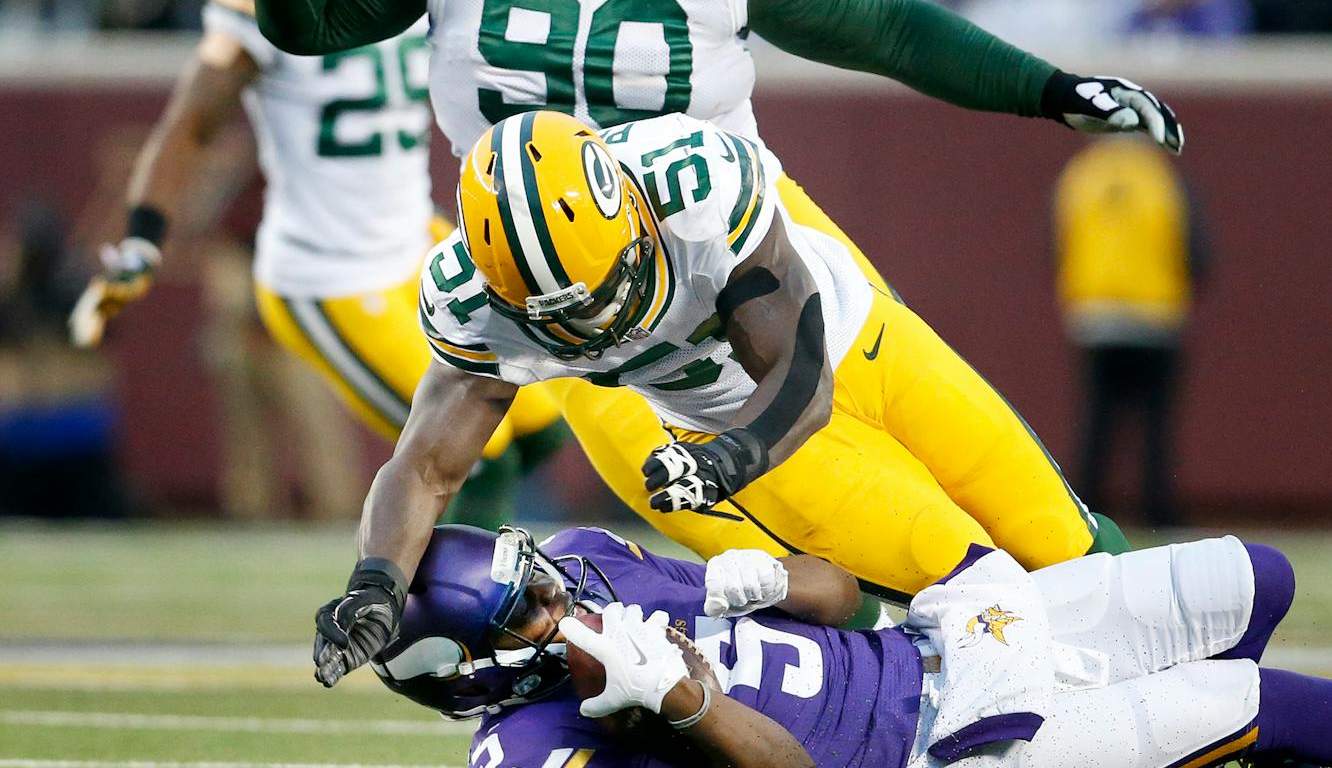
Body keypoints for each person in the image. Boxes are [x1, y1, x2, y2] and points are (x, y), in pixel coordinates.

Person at [252, 0, 1181, 565]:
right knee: (780, 549)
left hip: (745, 232)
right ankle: (902, 695)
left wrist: (1051, 90)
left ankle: (1145, 639)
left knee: (987, 470)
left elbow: (878, 30)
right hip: (563, 279)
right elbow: (320, 17)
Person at [311, 106, 1117, 686]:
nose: (596, 321)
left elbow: (800, 371)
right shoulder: (470, 304)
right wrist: (375, 583)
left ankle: (1223, 691)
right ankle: (1138, 762)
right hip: (753, 442)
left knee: (1061, 539)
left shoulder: (694, 181)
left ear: (630, 209)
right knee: (979, 583)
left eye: (601, 290)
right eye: (562, 316)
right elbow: (424, 466)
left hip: (843, 357)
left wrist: (726, 458)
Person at [70, 0, 563, 527]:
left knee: (544, 426)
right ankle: (440, 623)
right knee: (477, 448)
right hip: (328, 272)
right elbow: (190, 124)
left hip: (414, 239)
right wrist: (144, 236)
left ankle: (469, 590)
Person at [361, 521, 1332, 768]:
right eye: (526, 610)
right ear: (473, 670)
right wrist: (688, 705)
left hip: (946, 642)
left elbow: (839, 591)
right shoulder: (523, 761)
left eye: (539, 578)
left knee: (1255, 577)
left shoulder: (593, 556)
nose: (558, 597)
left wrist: (758, 576)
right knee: (1264, 698)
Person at [1053, 137, 1208, 527]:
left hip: (1096, 316)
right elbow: (1194, 246)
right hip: (1156, 316)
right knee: (1156, 423)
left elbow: (1059, 241)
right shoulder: (1161, 176)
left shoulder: (1081, 174)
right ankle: (1158, 512)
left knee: (1096, 421)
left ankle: (1085, 510)